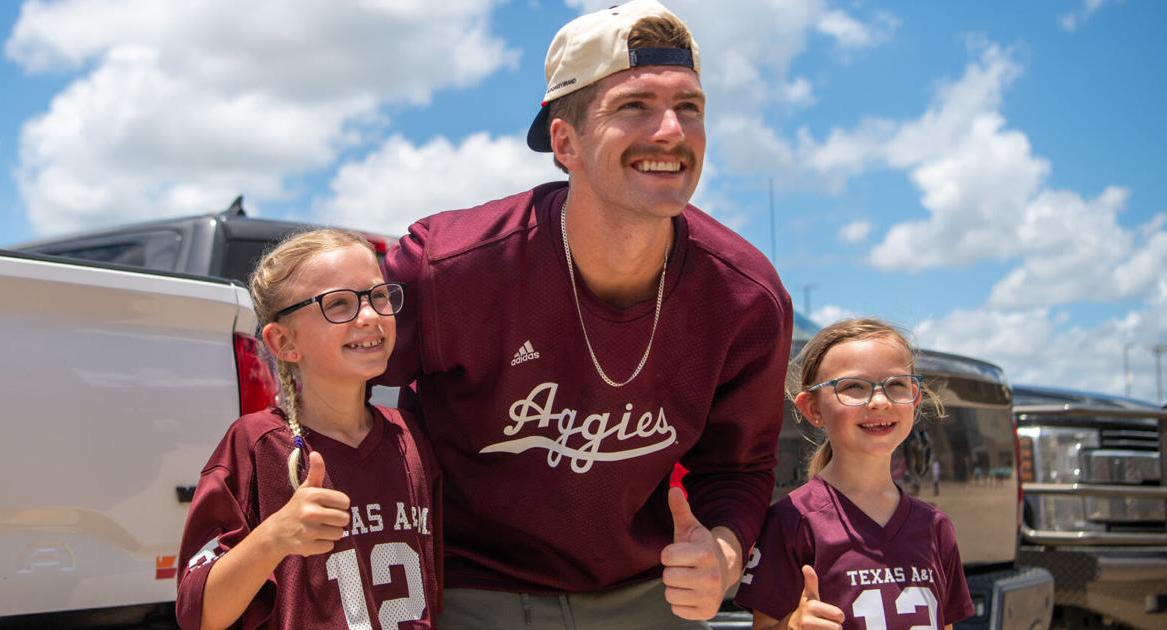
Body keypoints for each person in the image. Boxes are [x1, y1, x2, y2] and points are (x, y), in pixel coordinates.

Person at [376, 1, 792, 627]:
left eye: (690, 107)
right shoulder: (446, 268)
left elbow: (739, 466)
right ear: (564, 142)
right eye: (635, 106)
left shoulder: (745, 298)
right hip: (468, 592)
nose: (673, 131)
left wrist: (724, 556)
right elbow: (336, 400)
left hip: (646, 596)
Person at [176, 229, 440, 630]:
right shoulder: (255, 445)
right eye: (338, 304)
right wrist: (276, 535)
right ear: (283, 342)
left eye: (379, 296)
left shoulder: (412, 438)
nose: (369, 316)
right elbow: (199, 615)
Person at [736, 318, 973, 630]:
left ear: (915, 399)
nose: (878, 401)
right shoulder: (791, 522)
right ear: (813, 409)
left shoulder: (935, 526)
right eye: (853, 387)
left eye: (897, 385)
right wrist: (792, 626)